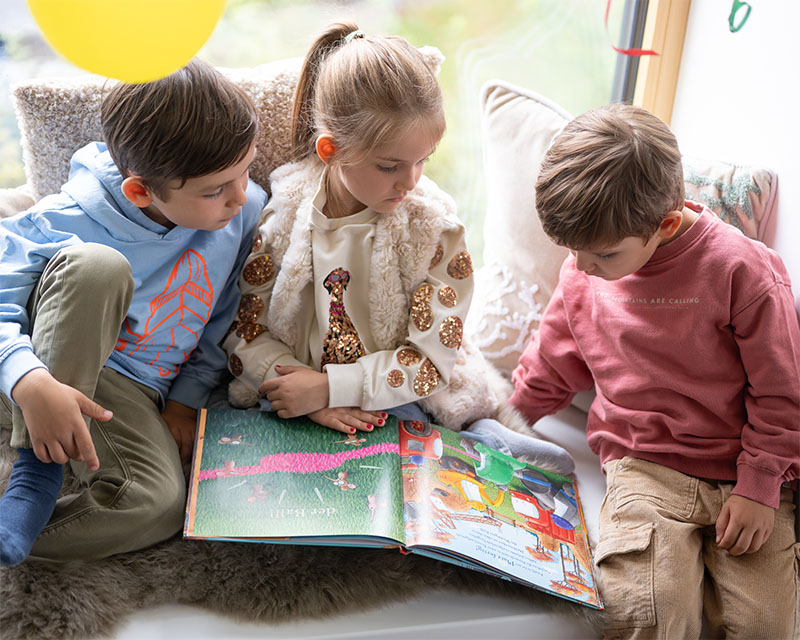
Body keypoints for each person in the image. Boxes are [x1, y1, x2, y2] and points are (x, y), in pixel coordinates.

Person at [223, 23, 573, 474]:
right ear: (330, 150)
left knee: (410, 442)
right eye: (390, 166)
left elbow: (430, 361)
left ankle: (480, 438)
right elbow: (245, 329)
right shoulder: (284, 214)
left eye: (423, 160)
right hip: (293, 392)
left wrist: (330, 389)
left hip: (398, 395)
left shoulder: (434, 231)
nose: (410, 181)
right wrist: (300, 391)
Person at [509, 102, 800, 638]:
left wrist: (760, 485)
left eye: (603, 255)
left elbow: (782, 391)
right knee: (644, 612)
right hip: (642, 466)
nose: (582, 266)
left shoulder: (743, 271)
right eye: (572, 251)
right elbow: (552, 363)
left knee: (766, 625)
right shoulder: (583, 271)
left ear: (664, 225)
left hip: (745, 469)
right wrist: (500, 424)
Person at [0, 59, 268, 566]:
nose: (240, 196)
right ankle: (39, 471)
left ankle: (18, 536)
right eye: (215, 190)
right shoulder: (65, 217)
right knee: (99, 267)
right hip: (39, 361)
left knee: (158, 505)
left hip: (130, 392)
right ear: (141, 191)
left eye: (247, 170)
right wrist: (29, 381)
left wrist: (184, 400)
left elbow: (225, 317)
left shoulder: (245, 210)